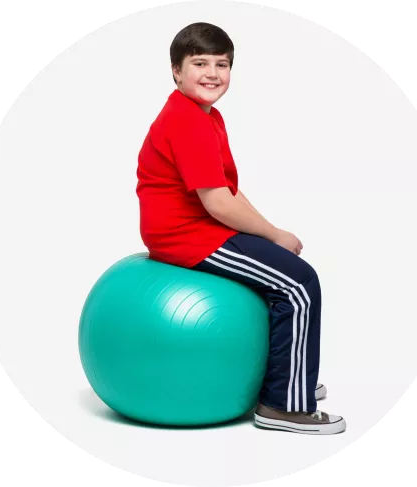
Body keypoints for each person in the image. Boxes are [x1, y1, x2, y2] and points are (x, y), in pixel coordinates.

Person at [135, 22, 346, 435]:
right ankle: (283, 404)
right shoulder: (187, 120)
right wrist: (273, 235)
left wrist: (270, 231)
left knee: (282, 271)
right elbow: (217, 203)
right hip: (185, 234)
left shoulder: (206, 115)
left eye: (222, 64)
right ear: (176, 71)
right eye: (200, 64)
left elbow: (228, 190)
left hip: (200, 225)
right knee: (299, 283)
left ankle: (288, 377)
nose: (212, 73)